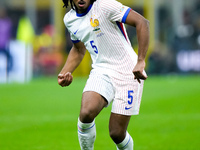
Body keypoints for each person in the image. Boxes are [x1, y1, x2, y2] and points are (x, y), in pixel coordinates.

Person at [58, 0, 149, 149]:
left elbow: (142, 22)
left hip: (128, 71)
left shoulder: (105, 6)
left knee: (116, 133)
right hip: (101, 70)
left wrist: (140, 61)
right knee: (86, 113)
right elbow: (79, 49)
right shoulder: (69, 19)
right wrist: (64, 72)